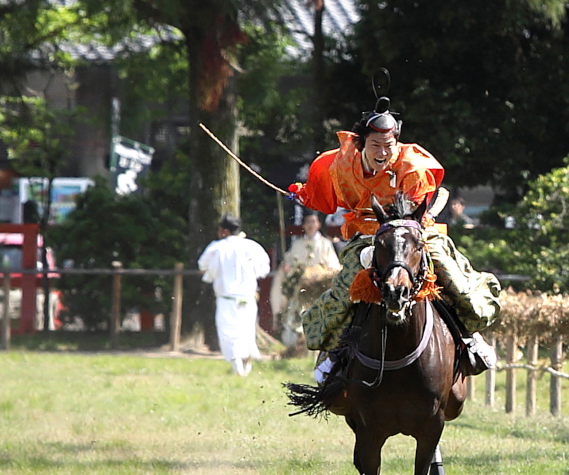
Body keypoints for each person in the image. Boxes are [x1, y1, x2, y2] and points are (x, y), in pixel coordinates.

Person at [287, 96, 500, 374]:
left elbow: (413, 215)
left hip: (413, 231)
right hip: (366, 234)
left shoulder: (411, 165)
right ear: (361, 143)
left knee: (449, 272)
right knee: (346, 285)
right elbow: (319, 190)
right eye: (376, 145)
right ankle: (336, 351)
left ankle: (471, 335)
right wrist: (301, 194)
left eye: (389, 146)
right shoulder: (340, 163)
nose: (383, 152)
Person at [198, 214, 271, 377]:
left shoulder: (216, 247)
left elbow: (202, 266)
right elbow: (264, 269)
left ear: (224, 231)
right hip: (248, 297)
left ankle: (239, 368)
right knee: (246, 331)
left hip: (227, 298)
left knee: (229, 333)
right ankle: (244, 368)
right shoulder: (252, 246)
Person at [270, 212, 342, 350]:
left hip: (319, 288)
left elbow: (334, 265)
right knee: (296, 313)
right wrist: (288, 266)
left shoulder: (325, 244)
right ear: (303, 225)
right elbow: (290, 261)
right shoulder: (297, 244)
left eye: (313, 222)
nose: (310, 225)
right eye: (308, 222)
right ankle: (297, 344)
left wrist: (319, 273)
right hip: (300, 290)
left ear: (318, 224)